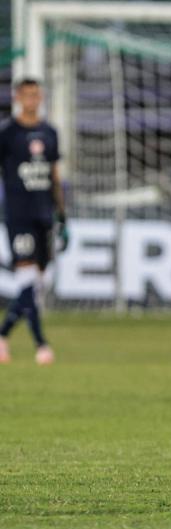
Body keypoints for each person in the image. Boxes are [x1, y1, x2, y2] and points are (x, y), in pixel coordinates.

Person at [0, 78, 68, 365]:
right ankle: (41, 345)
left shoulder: (50, 132)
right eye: (27, 95)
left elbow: (53, 173)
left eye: (36, 95)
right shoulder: (7, 132)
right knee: (28, 279)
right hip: (19, 215)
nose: (32, 100)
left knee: (38, 282)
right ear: (17, 97)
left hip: (44, 214)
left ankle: (3, 335)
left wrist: (63, 214)